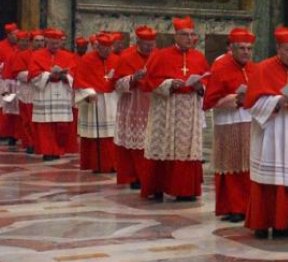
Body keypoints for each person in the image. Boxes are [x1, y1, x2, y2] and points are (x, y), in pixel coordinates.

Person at [243, 27, 288, 240]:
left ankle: (284, 223)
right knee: (266, 181)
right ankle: (261, 223)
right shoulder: (263, 69)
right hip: (270, 131)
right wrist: (277, 101)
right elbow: (252, 104)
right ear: (278, 48)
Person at [142, 17, 209, 200]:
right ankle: (157, 186)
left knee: (186, 148)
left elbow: (207, 80)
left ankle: (184, 190)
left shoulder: (199, 57)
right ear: (176, 36)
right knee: (162, 144)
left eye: (192, 35)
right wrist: (170, 83)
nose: (189, 38)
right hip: (166, 108)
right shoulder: (160, 55)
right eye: (185, 35)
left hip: (189, 109)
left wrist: (200, 87)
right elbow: (149, 81)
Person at [203, 28, 257, 222]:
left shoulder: (254, 68)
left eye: (249, 48)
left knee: (248, 166)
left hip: (250, 122)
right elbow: (210, 100)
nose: (246, 52)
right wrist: (235, 98)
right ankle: (233, 207)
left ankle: (247, 206)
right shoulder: (221, 66)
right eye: (242, 48)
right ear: (232, 48)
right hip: (228, 123)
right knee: (231, 165)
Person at [113, 26, 156, 191]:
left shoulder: (158, 56)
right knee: (135, 144)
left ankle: (151, 176)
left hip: (153, 103)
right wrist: (133, 78)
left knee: (151, 142)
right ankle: (134, 176)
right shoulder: (126, 56)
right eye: (146, 44)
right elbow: (117, 84)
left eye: (152, 44)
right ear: (138, 42)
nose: (149, 48)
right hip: (133, 104)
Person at [28, 28, 78, 161]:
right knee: (45, 126)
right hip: (45, 93)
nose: (55, 46)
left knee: (61, 126)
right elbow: (33, 74)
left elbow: (74, 73)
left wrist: (64, 75)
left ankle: (58, 150)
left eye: (57, 43)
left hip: (62, 93)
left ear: (61, 43)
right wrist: (49, 75)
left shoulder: (68, 56)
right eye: (52, 43)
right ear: (47, 42)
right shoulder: (36, 55)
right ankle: (47, 151)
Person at [73, 32, 119, 173]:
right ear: (97, 47)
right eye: (103, 48)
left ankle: (113, 164)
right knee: (95, 136)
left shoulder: (117, 59)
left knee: (112, 134)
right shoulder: (86, 60)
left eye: (109, 48)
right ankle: (97, 165)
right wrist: (88, 93)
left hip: (112, 100)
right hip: (94, 101)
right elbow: (79, 81)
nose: (106, 51)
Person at [0, 23, 20, 145]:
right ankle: (3, 132)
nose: (16, 37)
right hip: (3, 82)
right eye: (14, 34)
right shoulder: (1, 46)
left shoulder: (19, 47)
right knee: (5, 105)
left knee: (15, 108)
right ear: (8, 35)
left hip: (17, 83)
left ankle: (14, 134)